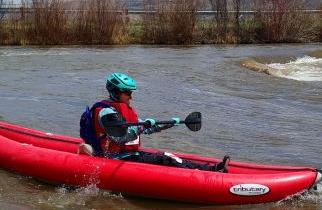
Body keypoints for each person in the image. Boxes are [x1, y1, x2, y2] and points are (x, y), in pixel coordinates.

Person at [81, 73, 229, 172]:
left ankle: (211, 169)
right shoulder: (107, 113)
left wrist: (168, 123)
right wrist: (142, 126)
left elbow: (142, 128)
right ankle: (211, 172)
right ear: (116, 92)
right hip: (115, 159)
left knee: (168, 156)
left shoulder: (119, 111)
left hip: (128, 155)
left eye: (131, 93)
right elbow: (121, 137)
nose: (130, 97)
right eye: (128, 93)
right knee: (165, 159)